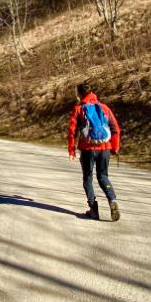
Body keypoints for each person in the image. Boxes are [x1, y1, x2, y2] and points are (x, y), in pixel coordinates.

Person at [67, 83, 121, 221]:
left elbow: (72, 131)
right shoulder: (104, 108)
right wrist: (114, 147)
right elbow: (115, 129)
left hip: (87, 149)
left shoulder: (79, 109)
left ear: (79, 94)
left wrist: (72, 150)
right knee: (103, 176)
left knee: (88, 178)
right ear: (92, 92)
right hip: (105, 148)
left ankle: (93, 209)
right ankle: (112, 200)